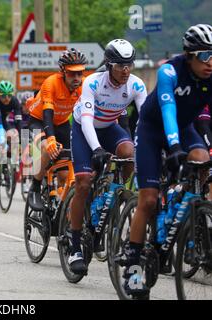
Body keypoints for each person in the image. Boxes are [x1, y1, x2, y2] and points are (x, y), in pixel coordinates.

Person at [127, 24, 212, 297]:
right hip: (154, 130)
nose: (210, 62)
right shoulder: (169, 71)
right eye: (204, 55)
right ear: (189, 55)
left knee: (203, 160)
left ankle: (200, 221)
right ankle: (133, 265)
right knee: (149, 199)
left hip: (185, 128)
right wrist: (174, 146)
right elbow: (168, 109)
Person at [69, 39, 147, 276]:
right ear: (109, 65)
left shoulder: (136, 85)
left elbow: (145, 121)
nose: (126, 70)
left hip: (110, 128)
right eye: (120, 65)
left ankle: (118, 194)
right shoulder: (92, 82)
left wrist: (147, 147)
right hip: (85, 128)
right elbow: (88, 121)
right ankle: (74, 247)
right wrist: (96, 149)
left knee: (129, 154)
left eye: (129, 64)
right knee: (83, 181)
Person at [27, 48, 87, 211]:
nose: (76, 78)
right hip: (39, 121)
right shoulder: (51, 83)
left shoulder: (83, 87)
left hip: (61, 124)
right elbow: (47, 113)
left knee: (63, 174)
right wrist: (51, 138)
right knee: (48, 148)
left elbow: (86, 115)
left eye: (79, 73)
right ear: (63, 72)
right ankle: (35, 186)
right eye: (71, 73)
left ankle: (58, 206)